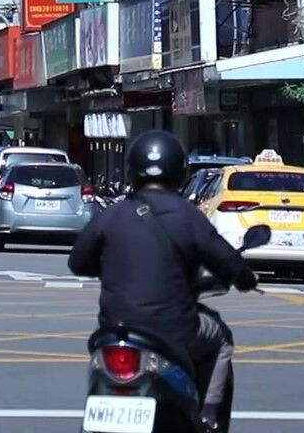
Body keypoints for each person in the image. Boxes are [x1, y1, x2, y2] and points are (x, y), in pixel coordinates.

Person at [69, 129, 256, 432]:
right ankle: (209, 417)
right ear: (180, 172)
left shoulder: (113, 214)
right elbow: (228, 262)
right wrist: (246, 279)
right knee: (221, 338)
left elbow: (78, 262)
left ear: (132, 171)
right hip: (175, 331)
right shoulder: (188, 216)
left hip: (115, 332)